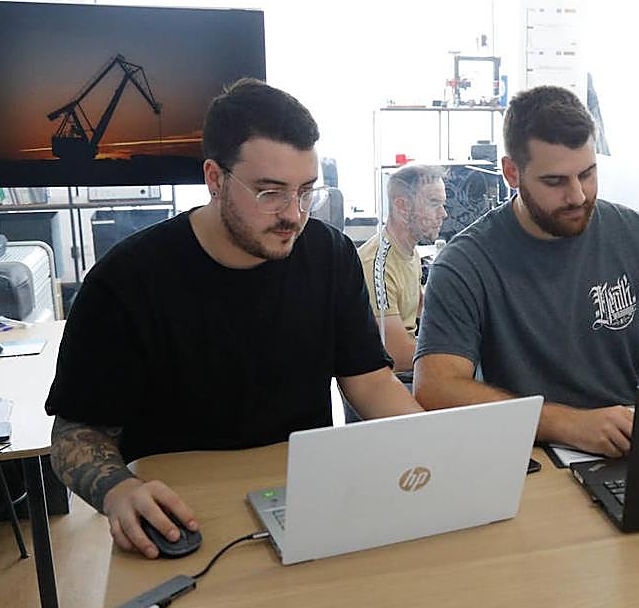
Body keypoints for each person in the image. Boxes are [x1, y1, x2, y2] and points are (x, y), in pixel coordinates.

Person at [46, 79, 421, 558]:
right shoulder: (126, 280)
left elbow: (369, 382)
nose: (294, 215)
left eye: (306, 192)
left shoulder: (329, 255)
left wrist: (435, 449)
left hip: (304, 503)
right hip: (184, 516)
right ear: (215, 178)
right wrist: (117, 490)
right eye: (270, 193)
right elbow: (76, 432)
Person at [413, 85, 639, 457]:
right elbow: (436, 388)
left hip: (624, 451)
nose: (578, 196)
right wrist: (567, 423)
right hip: (525, 458)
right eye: (555, 181)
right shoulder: (465, 264)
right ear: (511, 172)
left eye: (587, 174)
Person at [358, 165, 447, 372]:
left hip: (408, 370)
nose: (443, 214)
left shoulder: (410, 252)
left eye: (442, 204)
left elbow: (422, 307)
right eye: (434, 203)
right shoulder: (377, 265)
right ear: (402, 207)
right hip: (391, 378)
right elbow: (396, 354)